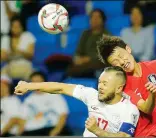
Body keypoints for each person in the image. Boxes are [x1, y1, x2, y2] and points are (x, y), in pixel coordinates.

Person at [14, 67, 142, 137]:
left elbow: (124, 136)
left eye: (105, 84)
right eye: (99, 82)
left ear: (119, 88)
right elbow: (61, 87)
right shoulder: (92, 95)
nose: (100, 87)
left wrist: (97, 131)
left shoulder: (129, 109)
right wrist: (29, 86)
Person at [17, 71, 70, 136]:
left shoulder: (55, 95)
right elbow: (23, 118)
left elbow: (63, 115)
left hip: (50, 129)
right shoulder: (28, 100)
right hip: (32, 131)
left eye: (38, 81)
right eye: (33, 82)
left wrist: (56, 130)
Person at [66, 9, 110, 78]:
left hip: (97, 64)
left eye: (98, 17)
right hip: (83, 64)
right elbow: (78, 51)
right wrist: (78, 58)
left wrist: (89, 58)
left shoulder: (107, 35)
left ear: (103, 20)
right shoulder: (85, 34)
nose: (95, 20)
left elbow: (105, 54)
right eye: (92, 17)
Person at [1, 15, 35, 80]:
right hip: (10, 66)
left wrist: (20, 52)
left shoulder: (28, 36)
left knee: (33, 77)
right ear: (10, 27)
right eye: (13, 26)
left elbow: (31, 55)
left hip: (25, 66)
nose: (15, 29)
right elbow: (2, 56)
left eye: (18, 26)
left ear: (22, 27)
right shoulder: (6, 38)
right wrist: (9, 55)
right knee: (2, 76)